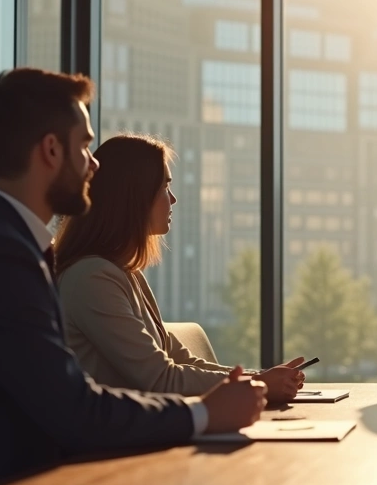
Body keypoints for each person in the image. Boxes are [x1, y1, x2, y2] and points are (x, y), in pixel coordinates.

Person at [0, 69, 266, 485]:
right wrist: (204, 414)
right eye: (84, 146)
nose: (94, 166)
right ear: (51, 150)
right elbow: (75, 410)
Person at [54, 134, 305, 402]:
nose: (172, 199)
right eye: (164, 187)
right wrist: (260, 383)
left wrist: (262, 376)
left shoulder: (124, 273)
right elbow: (161, 378)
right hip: (118, 428)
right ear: (134, 197)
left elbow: (179, 360)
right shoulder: (92, 278)